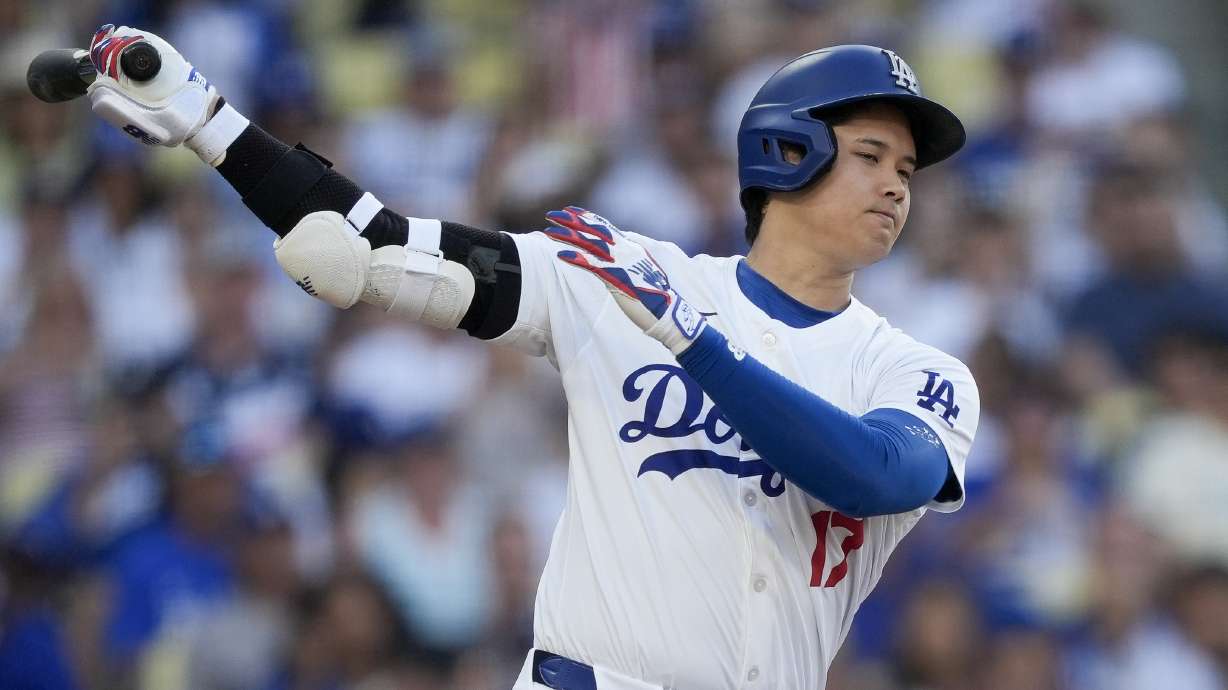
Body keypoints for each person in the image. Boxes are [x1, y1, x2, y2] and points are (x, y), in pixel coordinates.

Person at [79, 24, 979, 690]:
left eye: (907, 167)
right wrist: (209, 122)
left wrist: (693, 346)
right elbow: (369, 250)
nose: (897, 183)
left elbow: (874, 475)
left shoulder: (914, 371)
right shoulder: (623, 274)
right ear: (789, 153)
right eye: (870, 154)